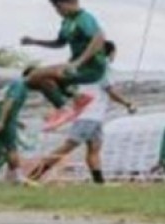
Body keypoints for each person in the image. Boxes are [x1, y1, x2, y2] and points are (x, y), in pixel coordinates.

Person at [27, 41, 137, 186]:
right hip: (89, 115)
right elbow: (109, 91)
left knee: (94, 149)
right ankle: (33, 176)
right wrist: (127, 103)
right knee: (68, 146)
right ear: (110, 53)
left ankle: (99, 184)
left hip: (95, 116)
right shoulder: (104, 68)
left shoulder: (88, 68)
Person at [20, 0, 108, 130]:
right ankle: (77, 98)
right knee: (41, 81)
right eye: (55, 8)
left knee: (33, 75)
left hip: (91, 68)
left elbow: (100, 37)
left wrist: (79, 62)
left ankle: (65, 110)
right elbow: (59, 43)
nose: (57, 11)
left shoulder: (84, 18)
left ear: (72, 1)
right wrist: (34, 41)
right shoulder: (67, 21)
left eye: (59, 7)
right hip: (76, 67)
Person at [0, 68, 33, 184]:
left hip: (1, 118)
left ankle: (15, 177)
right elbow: (9, 102)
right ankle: (17, 177)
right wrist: (1, 120)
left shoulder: (17, 84)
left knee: (3, 148)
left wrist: (17, 121)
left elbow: (4, 103)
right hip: (3, 120)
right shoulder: (20, 85)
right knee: (10, 148)